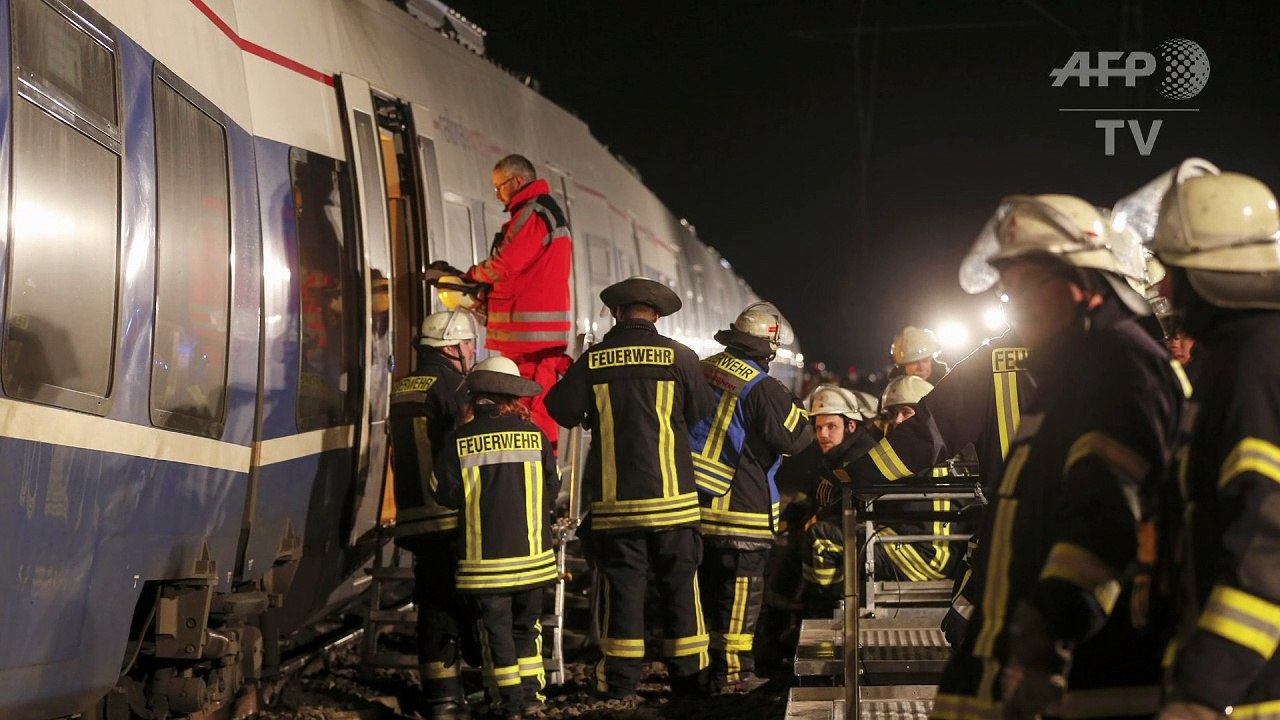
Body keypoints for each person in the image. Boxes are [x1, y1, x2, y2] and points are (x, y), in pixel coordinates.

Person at [929, 194, 1184, 720]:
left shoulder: (1119, 370)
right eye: (1007, 288)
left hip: (1082, 680)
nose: (1013, 303)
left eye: (1026, 286)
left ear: (1085, 285)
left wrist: (1045, 630)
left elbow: (1107, 520)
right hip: (1022, 663)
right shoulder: (1075, 367)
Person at [1146, 162, 1280, 720]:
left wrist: (1204, 688)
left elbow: (1269, 534)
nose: (1164, 287)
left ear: (1211, 274)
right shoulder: (1231, 358)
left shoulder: (1256, 362)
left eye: (1173, 270)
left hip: (1253, 693)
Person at [544, 277, 717, 699]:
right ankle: (689, 681)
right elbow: (702, 412)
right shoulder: (680, 357)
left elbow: (559, 409)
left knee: (623, 593)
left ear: (616, 313)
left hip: (617, 508)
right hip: (675, 505)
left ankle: (619, 683)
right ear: (656, 315)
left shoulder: (595, 360)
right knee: (681, 592)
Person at [688, 303, 815, 693]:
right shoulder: (763, 387)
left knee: (704, 594)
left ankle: (701, 672)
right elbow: (795, 439)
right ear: (770, 344)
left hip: (695, 507)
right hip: (742, 510)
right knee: (741, 597)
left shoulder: (702, 368)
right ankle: (734, 675)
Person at [431, 356, 561, 720]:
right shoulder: (535, 437)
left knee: (495, 633)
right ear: (513, 397)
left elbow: (442, 493)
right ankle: (533, 697)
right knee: (526, 629)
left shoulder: (459, 440)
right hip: (534, 560)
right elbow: (552, 488)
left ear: (475, 398)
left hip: (485, 565)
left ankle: (509, 704)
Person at [387, 310, 476, 720]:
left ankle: (439, 696)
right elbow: (466, 445)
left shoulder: (405, 383)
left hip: (413, 513)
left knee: (432, 602)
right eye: (470, 344)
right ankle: (459, 693)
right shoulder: (455, 385)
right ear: (453, 347)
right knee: (461, 601)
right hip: (449, 513)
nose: (474, 352)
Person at [456, 154, 573, 449]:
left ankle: (538, 479)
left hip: (529, 343)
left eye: (500, 187)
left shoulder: (533, 213)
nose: (498, 195)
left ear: (517, 181)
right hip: (531, 342)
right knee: (534, 415)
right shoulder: (540, 212)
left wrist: (471, 275)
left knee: (528, 417)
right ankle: (542, 475)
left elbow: (506, 263)